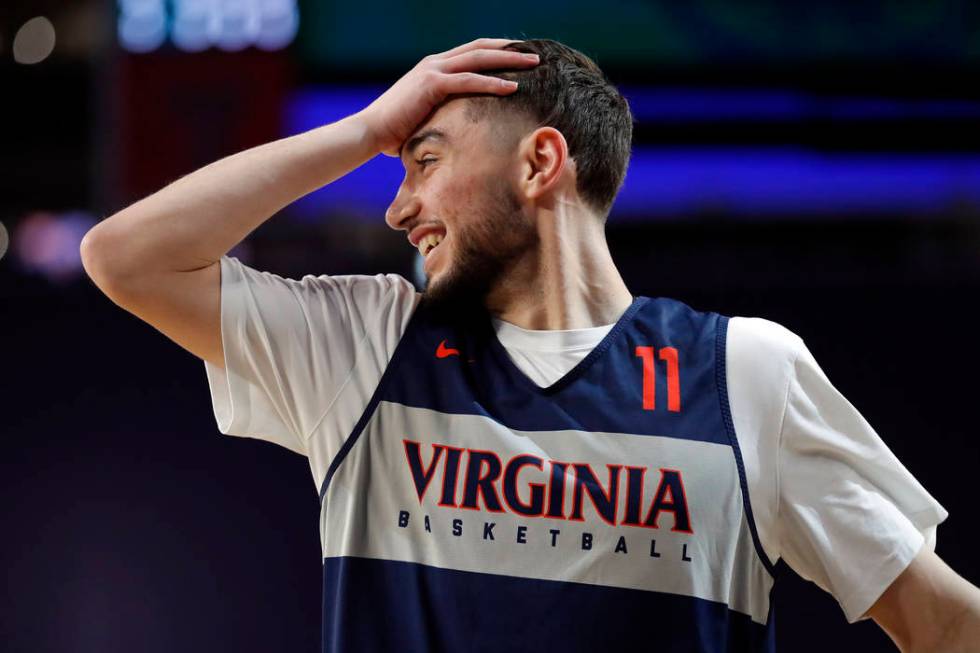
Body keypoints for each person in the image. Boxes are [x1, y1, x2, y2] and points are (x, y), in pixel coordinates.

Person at [80, 37, 980, 652]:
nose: (397, 208)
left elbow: (942, 625)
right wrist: (366, 130)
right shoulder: (367, 346)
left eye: (423, 161)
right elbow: (126, 257)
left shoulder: (745, 373)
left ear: (540, 163)